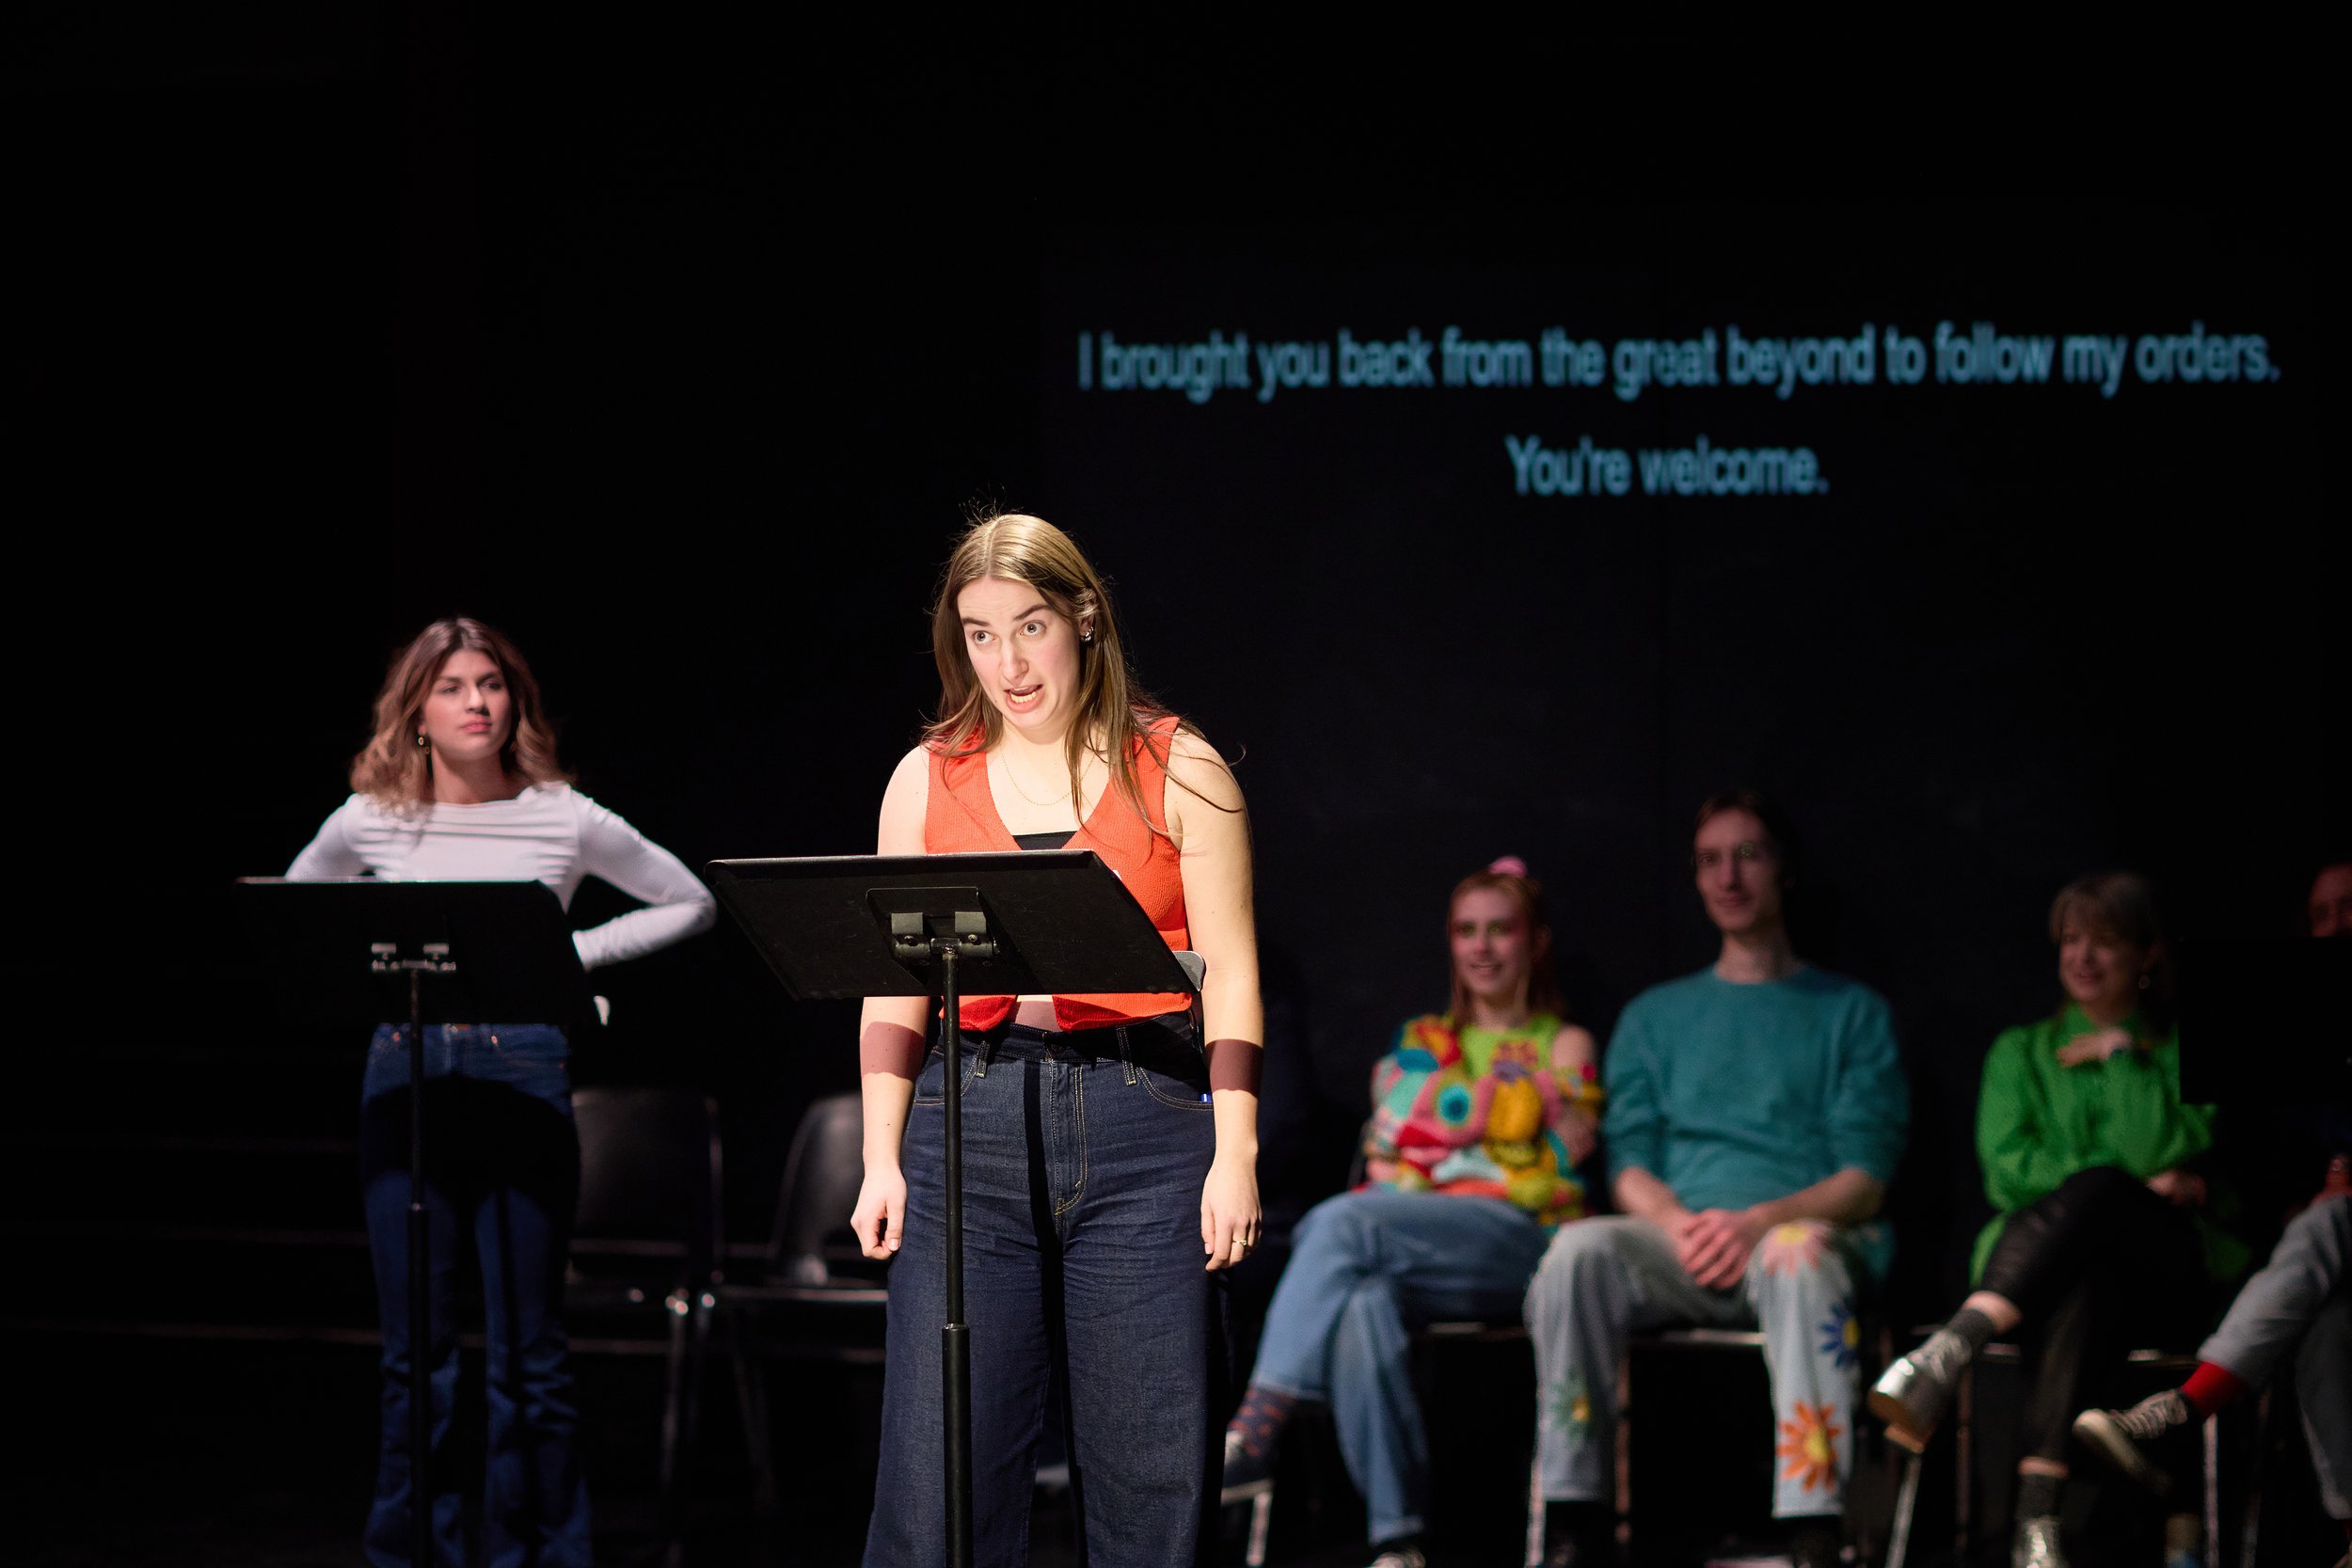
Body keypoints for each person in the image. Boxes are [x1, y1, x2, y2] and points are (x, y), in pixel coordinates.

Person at [849, 513, 1263, 1568]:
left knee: (1149, 1477)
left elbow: (1232, 975)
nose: (1008, 661)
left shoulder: (1182, 766)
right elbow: (895, 990)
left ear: (1083, 615)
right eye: (981, 634)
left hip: (1144, 1118)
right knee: (939, 1474)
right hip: (968, 1125)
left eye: (1029, 626)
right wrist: (879, 1155)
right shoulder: (924, 777)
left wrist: (1235, 1152)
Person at [287, 616, 716, 1568]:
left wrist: (562, 958)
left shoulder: (563, 812)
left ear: (513, 699)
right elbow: (298, 911)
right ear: (417, 712)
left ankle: (541, 1551)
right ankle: (414, 1551)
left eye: (490, 682)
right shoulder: (373, 815)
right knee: (417, 1351)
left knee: (529, 1346)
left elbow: (690, 899)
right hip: (404, 1070)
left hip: (520, 1066)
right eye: (451, 686)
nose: (476, 701)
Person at [1525, 791, 1908, 1568]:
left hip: (1797, 1238)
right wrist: (1678, 1222)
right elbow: (1628, 1160)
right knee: (1576, 1253)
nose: (1728, 876)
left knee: (1797, 1253)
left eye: (1748, 855)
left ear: (1784, 871)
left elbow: (1865, 1176)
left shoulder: (1849, 1012)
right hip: (1682, 1240)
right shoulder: (1657, 1016)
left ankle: (1814, 1528)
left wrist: (1758, 1221)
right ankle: (1574, 1517)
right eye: (1709, 860)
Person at [1218, 858, 1601, 1568]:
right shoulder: (1421, 1038)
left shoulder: (1564, 1043)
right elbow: (1389, 1148)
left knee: (1340, 1222)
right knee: (1360, 1299)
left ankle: (1259, 1426)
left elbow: (1559, 1157)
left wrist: (1434, 1140)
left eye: (1499, 930)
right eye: (1466, 931)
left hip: (1522, 1241)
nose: (1482, 947)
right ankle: (1398, 1542)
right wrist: (1490, 1129)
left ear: (1533, 941)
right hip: (1413, 1242)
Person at [1872, 871, 2243, 1568]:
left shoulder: (2179, 1051)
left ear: (2148, 954)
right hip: (2050, 1276)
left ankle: (1953, 1345)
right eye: (2071, 940)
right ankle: (2035, 1531)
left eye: (2105, 942)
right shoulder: (2020, 1051)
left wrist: (2123, 1056)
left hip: (2165, 1276)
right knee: (2085, 1273)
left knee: (2100, 1200)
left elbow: (2152, 1146)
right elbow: (2008, 1170)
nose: (2083, 958)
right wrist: (2131, 1182)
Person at [2071, 859, 2352, 1555]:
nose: (2336, 926)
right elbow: (2253, 1161)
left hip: (2300, 1238)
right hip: (2314, 1256)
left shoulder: (2165, 1049)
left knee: (2325, 1224)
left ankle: (2179, 1409)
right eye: (2320, 915)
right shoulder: (2282, 1023)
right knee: (2326, 1324)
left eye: (2351, 907)